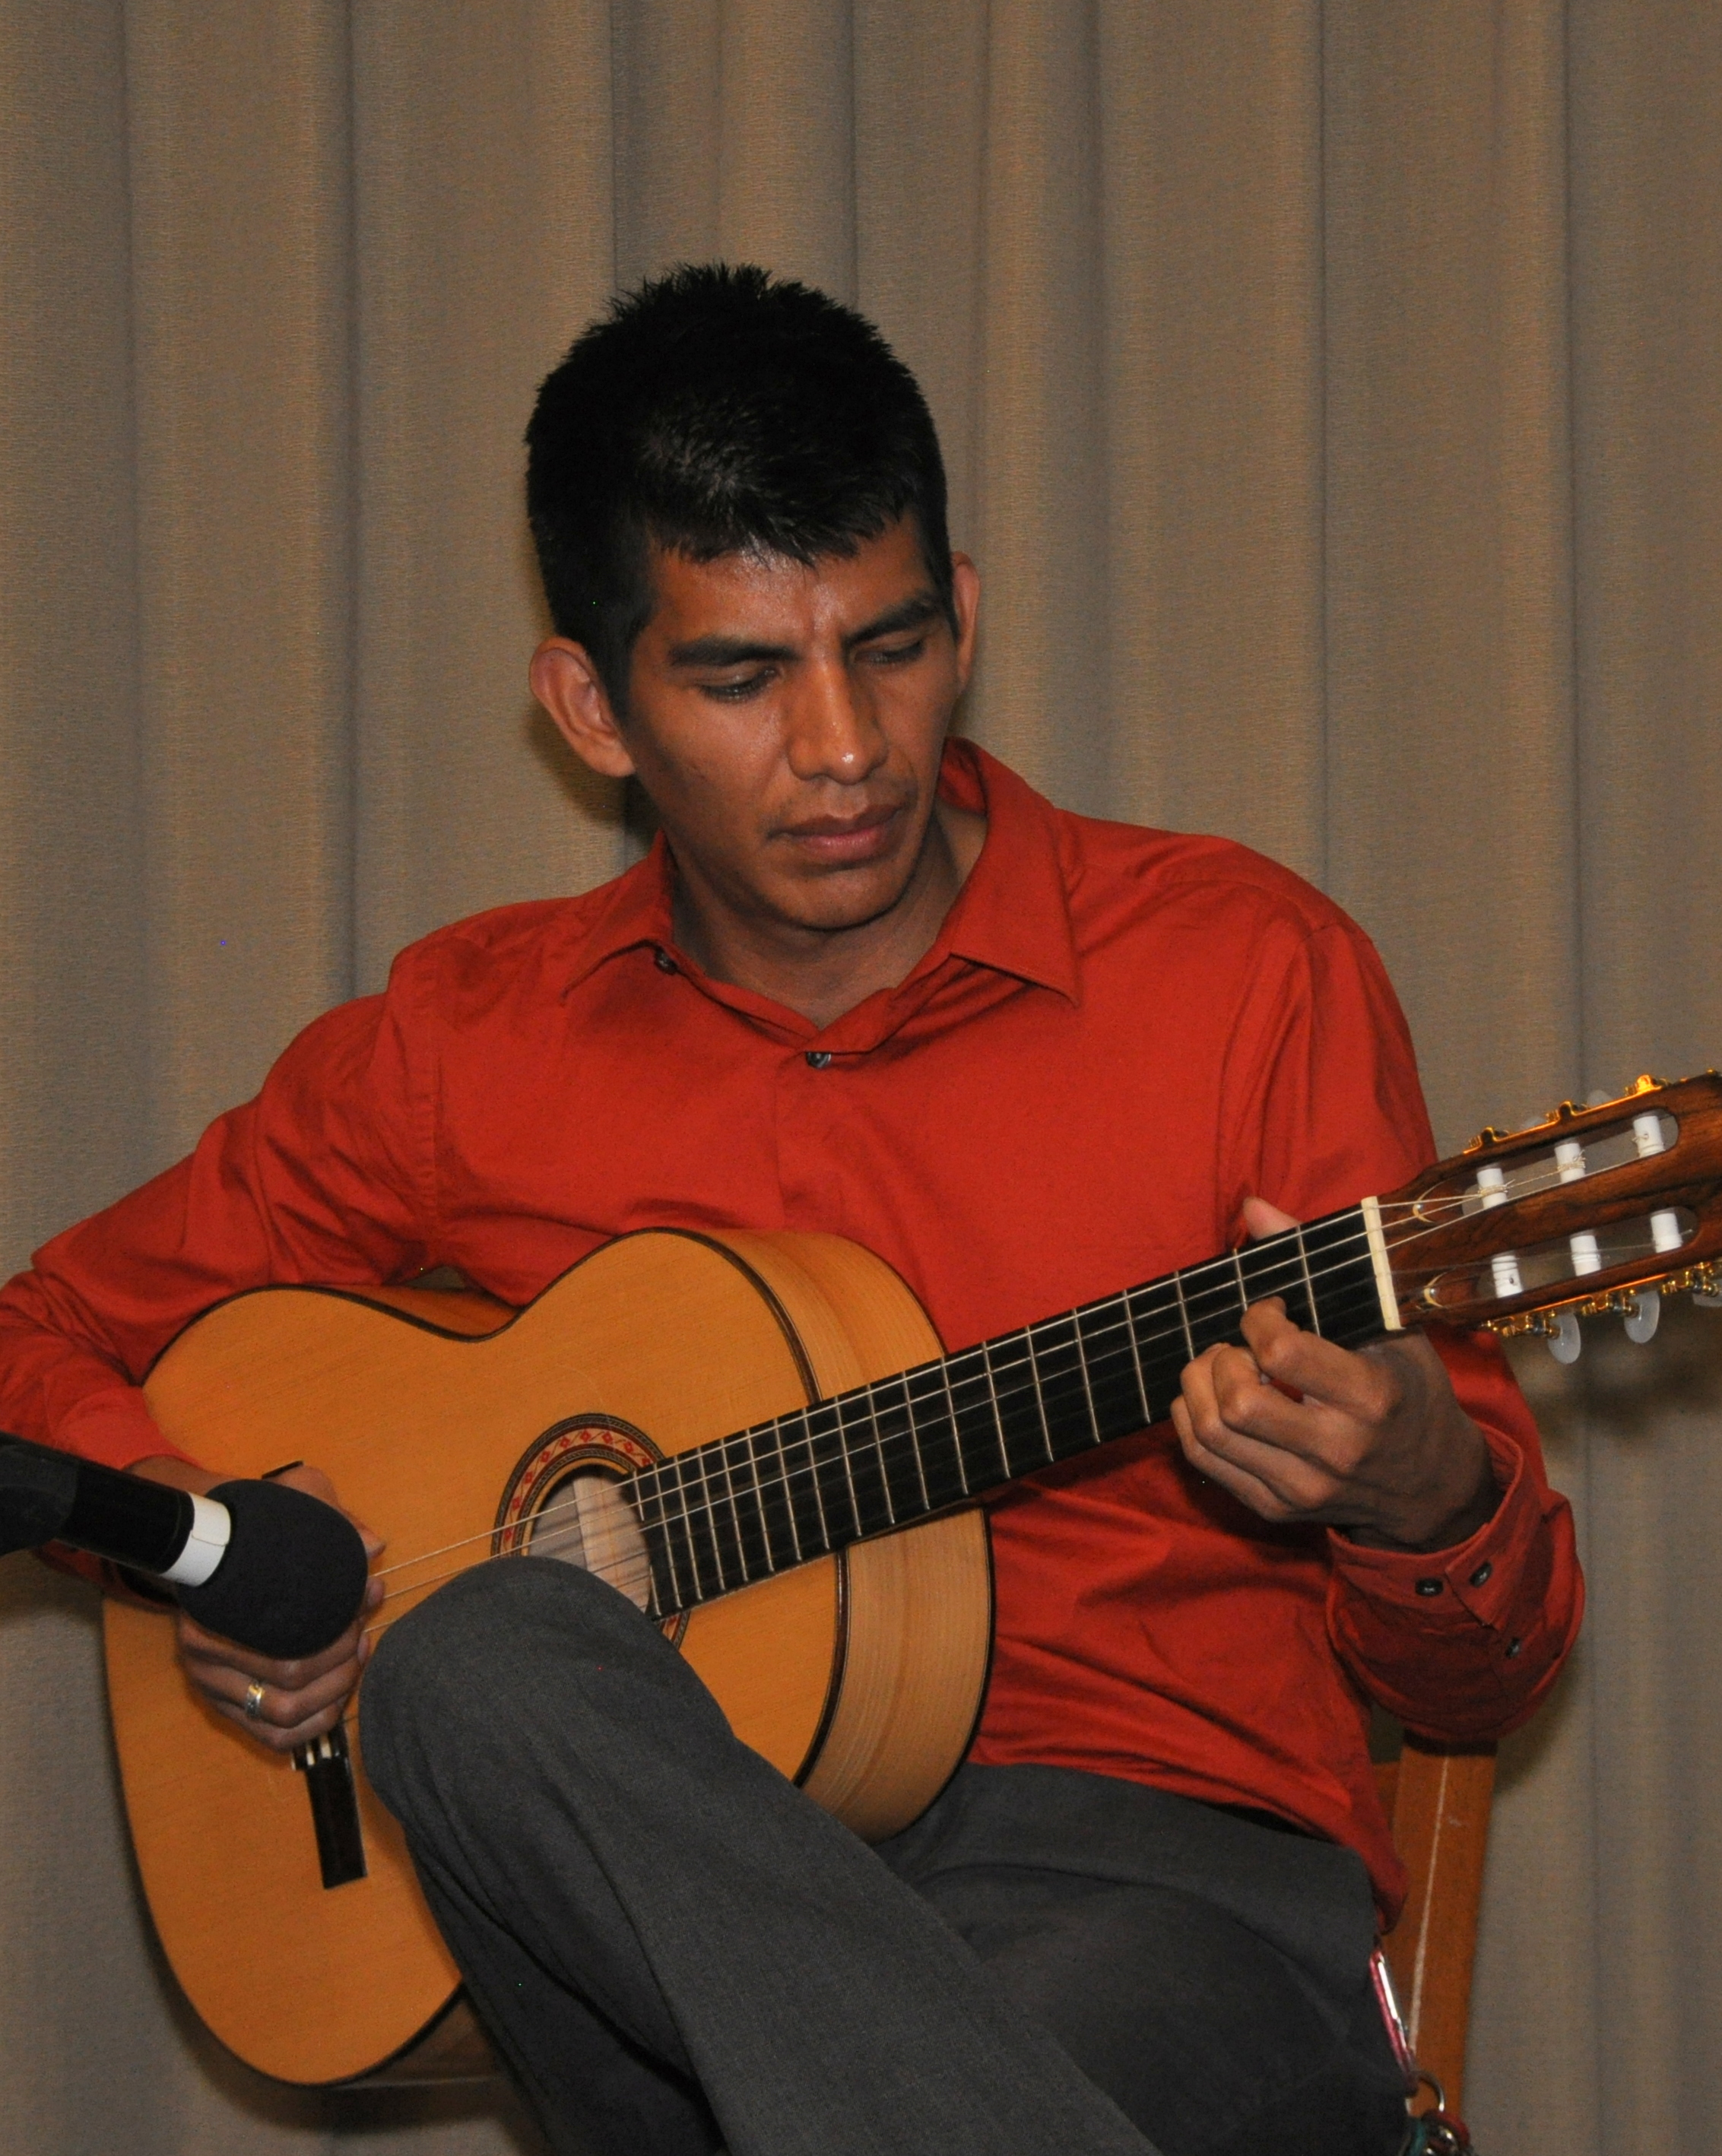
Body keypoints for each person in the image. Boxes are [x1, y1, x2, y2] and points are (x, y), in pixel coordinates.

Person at [0, 265, 1580, 2156]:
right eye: (743, 677)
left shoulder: (1239, 973)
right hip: (669, 1933)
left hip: (1153, 1893)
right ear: (589, 705)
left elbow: (1486, 1666)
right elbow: (39, 1340)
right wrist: (216, 1555)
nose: (844, 745)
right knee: (472, 1661)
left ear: (962, 614)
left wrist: (1416, 1489)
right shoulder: (467, 1044)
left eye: (889, 647)